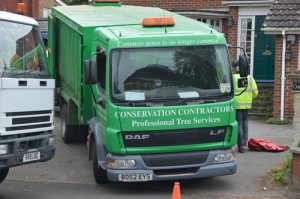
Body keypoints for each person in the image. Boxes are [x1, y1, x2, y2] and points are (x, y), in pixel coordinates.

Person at [233, 67, 258, 153]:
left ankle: (240, 146)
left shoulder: (233, 77)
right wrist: (249, 98)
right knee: (245, 122)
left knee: (239, 123)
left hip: (236, 105)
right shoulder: (250, 78)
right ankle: (244, 143)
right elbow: (255, 92)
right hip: (247, 105)